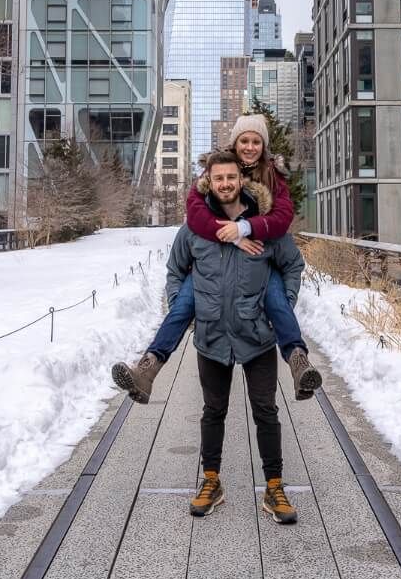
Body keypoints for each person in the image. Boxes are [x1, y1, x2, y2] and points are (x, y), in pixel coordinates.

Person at [111, 114, 321, 403]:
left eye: (256, 141)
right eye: (244, 140)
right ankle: (147, 369)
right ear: (235, 142)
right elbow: (195, 214)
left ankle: (298, 362)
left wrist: (247, 227)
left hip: (260, 258)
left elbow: (282, 218)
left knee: (276, 301)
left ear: (264, 145)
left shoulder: (273, 175)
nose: (249, 147)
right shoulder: (217, 168)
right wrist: (231, 234)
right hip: (214, 259)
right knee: (182, 305)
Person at [169, 150, 303, 522]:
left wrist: (283, 307)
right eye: (218, 178)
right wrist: (185, 309)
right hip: (212, 336)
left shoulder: (263, 225)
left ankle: (274, 486)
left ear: (240, 180)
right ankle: (211, 481)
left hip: (257, 335)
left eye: (231, 177)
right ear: (208, 182)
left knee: (266, 411)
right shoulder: (195, 230)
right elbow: (175, 270)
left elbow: (292, 265)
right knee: (214, 410)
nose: (225, 184)